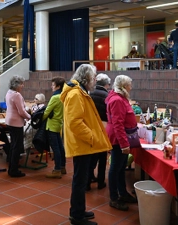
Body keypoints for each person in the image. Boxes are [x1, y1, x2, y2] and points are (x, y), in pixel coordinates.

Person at [60, 64, 112, 225]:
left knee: (81, 181)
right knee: (80, 181)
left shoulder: (80, 92)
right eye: (94, 76)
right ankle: (77, 216)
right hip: (82, 144)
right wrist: (91, 137)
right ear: (86, 77)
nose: (95, 79)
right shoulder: (76, 94)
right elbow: (75, 122)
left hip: (83, 144)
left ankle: (79, 210)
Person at [105, 75, 138, 211]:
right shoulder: (117, 100)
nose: (131, 87)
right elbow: (118, 124)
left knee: (120, 168)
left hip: (120, 137)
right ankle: (114, 198)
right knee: (115, 169)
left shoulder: (119, 97)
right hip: (119, 139)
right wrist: (124, 144)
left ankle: (123, 193)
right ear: (124, 86)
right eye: (129, 84)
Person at [87, 73, 111, 190]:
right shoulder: (107, 95)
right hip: (103, 128)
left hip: (90, 127)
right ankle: (101, 181)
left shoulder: (89, 93)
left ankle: (88, 179)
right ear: (107, 84)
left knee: (91, 156)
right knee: (102, 157)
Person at [5, 75, 31, 177]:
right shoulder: (17, 95)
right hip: (16, 123)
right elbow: (21, 111)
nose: (22, 86)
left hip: (10, 121)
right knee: (17, 146)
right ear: (16, 84)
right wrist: (29, 117)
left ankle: (12, 167)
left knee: (13, 145)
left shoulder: (9, 92)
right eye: (21, 84)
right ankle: (13, 170)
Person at [44, 77, 66, 179]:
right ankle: (62, 167)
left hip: (52, 124)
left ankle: (57, 170)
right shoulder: (64, 95)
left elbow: (47, 111)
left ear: (58, 86)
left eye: (53, 85)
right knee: (60, 147)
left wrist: (40, 119)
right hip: (59, 123)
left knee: (56, 148)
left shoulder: (55, 97)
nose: (51, 87)